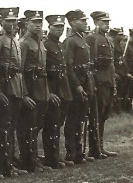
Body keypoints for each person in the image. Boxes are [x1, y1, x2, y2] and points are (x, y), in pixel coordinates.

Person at [0, 7, 26, 177]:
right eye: (8, 21)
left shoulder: (16, 42)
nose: (12, 24)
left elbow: (19, 69)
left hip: (16, 88)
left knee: (12, 127)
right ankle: (4, 165)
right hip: (5, 89)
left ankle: (11, 162)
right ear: (1, 22)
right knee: (3, 127)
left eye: (14, 21)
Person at [63, 9, 97, 164]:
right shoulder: (70, 41)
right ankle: (71, 153)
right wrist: (77, 86)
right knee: (73, 119)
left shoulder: (82, 39)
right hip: (76, 86)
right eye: (82, 21)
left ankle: (80, 152)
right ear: (73, 22)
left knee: (82, 119)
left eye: (85, 20)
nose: (85, 23)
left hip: (86, 83)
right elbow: (68, 66)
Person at [18, 10, 48, 172]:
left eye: (39, 23)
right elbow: (20, 70)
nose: (38, 25)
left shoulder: (40, 42)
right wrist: (24, 95)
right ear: (26, 24)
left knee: (37, 124)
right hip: (30, 87)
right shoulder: (24, 43)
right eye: (34, 22)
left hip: (41, 87)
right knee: (28, 125)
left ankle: (34, 157)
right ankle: (28, 160)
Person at [86, 11, 118, 157]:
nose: (107, 24)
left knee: (104, 115)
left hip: (109, 81)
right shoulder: (92, 38)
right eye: (104, 22)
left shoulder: (108, 39)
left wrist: (114, 83)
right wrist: (93, 83)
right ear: (96, 22)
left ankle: (100, 146)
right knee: (96, 116)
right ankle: (94, 149)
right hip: (99, 82)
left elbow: (111, 64)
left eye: (108, 22)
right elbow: (90, 63)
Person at [43, 14, 71, 169]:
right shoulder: (46, 45)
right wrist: (49, 92)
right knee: (51, 125)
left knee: (58, 124)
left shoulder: (60, 46)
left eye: (61, 27)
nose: (59, 30)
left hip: (62, 89)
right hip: (52, 89)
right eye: (56, 27)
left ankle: (56, 156)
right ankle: (51, 159)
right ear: (49, 28)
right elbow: (44, 71)